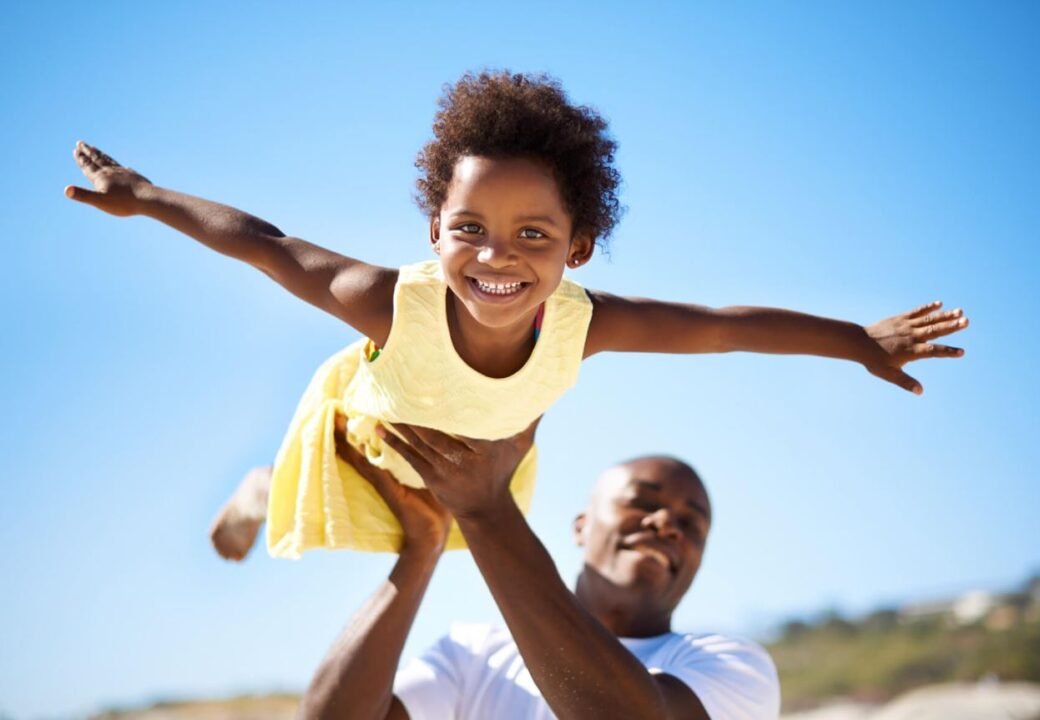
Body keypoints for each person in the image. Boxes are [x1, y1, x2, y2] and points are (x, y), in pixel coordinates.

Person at [65, 71, 968, 560]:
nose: (497, 256)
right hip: (364, 442)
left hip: (480, 463)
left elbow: (721, 326)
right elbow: (265, 242)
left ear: (577, 247)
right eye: (471, 229)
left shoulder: (584, 321)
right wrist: (145, 195)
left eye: (532, 233)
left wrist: (854, 341)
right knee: (356, 511)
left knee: (440, 533)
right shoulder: (388, 302)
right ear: (434, 228)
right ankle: (268, 486)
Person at [300, 418, 780, 719]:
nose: (666, 524)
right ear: (581, 526)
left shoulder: (731, 667)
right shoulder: (474, 654)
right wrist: (422, 550)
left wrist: (488, 511)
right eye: (642, 502)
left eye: (691, 524)